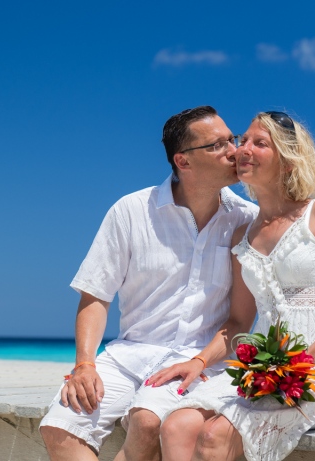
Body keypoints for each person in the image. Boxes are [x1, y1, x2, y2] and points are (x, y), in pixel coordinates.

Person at [39, 106, 259, 461]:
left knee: (145, 424)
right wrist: (84, 364)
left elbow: (239, 320)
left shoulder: (246, 220)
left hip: (201, 361)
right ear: (183, 161)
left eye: (231, 139)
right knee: (60, 426)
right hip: (129, 355)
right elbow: (95, 294)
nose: (234, 150)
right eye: (217, 145)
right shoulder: (131, 210)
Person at [154, 111, 315, 461]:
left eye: (260, 143)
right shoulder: (243, 235)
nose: (242, 149)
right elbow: (239, 322)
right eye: (243, 140)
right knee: (176, 425)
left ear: (288, 160)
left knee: (214, 435)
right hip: (262, 367)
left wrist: (304, 360)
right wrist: (199, 360)